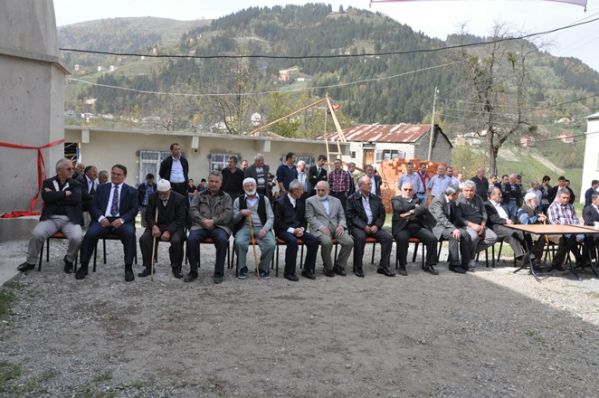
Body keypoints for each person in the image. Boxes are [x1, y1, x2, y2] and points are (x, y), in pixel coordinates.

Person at [17, 158, 84, 274]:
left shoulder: (76, 183)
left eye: (72, 168)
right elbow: (46, 198)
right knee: (36, 234)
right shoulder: (48, 182)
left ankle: (69, 260)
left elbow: (76, 199)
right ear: (59, 171)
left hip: (70, 220)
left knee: (77, 238)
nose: (72, 170)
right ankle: (31, 262)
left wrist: (54, 196)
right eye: (69, 169)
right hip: (51, 218)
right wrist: (64, 194)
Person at [75, 164, 139, 281]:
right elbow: (93, 205)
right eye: (113, 173)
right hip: (103, 219)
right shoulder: (101, 188)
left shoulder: (132, 191)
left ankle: (128, 268)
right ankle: (84, 266)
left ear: (124, 176)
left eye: (118, 174)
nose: (115, 176)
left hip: (121, 220)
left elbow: (134, 209)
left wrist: (121, 220)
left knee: (129, 234)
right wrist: (100, 218)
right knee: (90, 234)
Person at [185, 170, 233, 284]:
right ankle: (193, 271)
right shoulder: (199, 195)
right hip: (200, 226)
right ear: (208, 181)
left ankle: (218, 272)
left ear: (221, 183)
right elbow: (192, 210)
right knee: (191, 239)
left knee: (222, 240)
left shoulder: (226, 197)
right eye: (211, 181)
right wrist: (203, 220)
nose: (213, 184)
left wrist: (214, 221)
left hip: (220, 226)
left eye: (216, 182)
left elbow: (228, 214)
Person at [138, 179, 187, 279]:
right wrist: (153, 226)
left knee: (176, 240)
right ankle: (149, 266)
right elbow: (148, 215)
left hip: (175, 226)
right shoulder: (153, 197)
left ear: (170, 190)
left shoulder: (180, 199)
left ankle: (176, 267)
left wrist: (169, 231)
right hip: (157, 225)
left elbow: (181, 219)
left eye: (164, 193)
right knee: (144, 239)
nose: (162, 196)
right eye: (160, 193)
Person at [347, 175, 395, 277]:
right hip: (359, 227)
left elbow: (382, 214)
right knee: (360, 237)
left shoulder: (376, 198)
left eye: (371, 183)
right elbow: (351, 216)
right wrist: (364, 226)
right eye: (368, 184)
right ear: (360, 186)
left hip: (374, 226)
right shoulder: (352, 198)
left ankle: (383, 267)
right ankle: (358, 267)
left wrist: (377, 225)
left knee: (388, 238)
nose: (371, 185)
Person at [305, 181, 353, 277]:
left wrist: (341, 226)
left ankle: (339, 266)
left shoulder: (337, 201)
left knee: (349, 242)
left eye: (323, 190)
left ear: (328, 190)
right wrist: (321, 227)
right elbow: (310, 217)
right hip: (319, 228)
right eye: (318, 190)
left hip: (336, 227)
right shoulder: (310, 201)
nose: (320, 192)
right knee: (327, 242)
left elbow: (342, 216)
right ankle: (328, 267)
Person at [274, 180, 319, 281]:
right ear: (294, 191)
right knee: (293, 242)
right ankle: (289, 272)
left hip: (298, 229)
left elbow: (304, 220)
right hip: (283, 230)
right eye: (301, 190)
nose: (303, 192)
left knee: (314, 241)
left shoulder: (300, 202)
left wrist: (302, 229)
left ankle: (308, 269)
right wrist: (292, 230)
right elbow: (277, 223)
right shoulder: (280, 202)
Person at [232, 178, 276, 279]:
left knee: (271, 244)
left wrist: (265, 229)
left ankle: (263, 268)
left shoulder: (264, 199)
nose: (250, 187)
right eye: (247, 185)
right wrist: (240, 213)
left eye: (252, 185)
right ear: (243, 188)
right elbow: (233, 220)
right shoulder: (238, 201)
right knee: (239, 242)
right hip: (245, 227)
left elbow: (271, 217)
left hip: (261, 227)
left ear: (255, 186)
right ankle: (242, 268)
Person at [391, 182, 438, 276]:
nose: (408, 191)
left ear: (413, 191)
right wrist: (414, 208)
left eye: (410, 190)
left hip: (417, 227)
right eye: (406, 189)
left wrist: (407, 213)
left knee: (432, 239)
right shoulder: (396, 199)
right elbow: (398, 208)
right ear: (401, 190)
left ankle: (429, 265)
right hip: (402, 227)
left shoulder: (417, 200)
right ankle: (402, 266)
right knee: (402, 239)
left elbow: (423, 209)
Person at [429, 186, 472, 274]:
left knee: (465, 234)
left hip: (447, 226)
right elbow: (441, 218)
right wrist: (453, 229)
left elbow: (454, 216)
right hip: (437, 227)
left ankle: (465, 263)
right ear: (452, 195)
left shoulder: (451, 201)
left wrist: (456, 227)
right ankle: (454, 265)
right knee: (454, 235)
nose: (458, 197)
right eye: (457, 195)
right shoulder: (438, 200)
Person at [457, 180, 497, 269]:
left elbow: (484, 213)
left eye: (471, 190)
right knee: (474, 237)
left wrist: (482, 225)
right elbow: (458, 218)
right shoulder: (459, 200)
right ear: (463, 190)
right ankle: (470, 258)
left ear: (475, 191)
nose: (469, 192)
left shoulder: (478, 198)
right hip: (466, 225)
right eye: (466, 190)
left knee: (493, 237)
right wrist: (472, 225)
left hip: (480, 225)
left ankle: (468, 253)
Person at [547, 189, 590, 271]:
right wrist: (568, 228)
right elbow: (554, 222)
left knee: (587, 236)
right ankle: (579, 259)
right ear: (559, 197)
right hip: (559, 232)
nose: (566, 199)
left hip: (573, 231)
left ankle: (584, 260)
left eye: (567, 198)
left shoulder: (571, 206)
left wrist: (574, 228)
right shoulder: (553, 207)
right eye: (564, 198)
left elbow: (576, 220)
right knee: (568, 238)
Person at [485, 187, 529, 265]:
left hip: (508, 227)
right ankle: (525, 257)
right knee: (515, 233)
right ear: (492, 196)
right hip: (496, 227)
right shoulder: (487, 205)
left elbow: (511, 214)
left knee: (524, 233)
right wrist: (505, 221)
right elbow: (492, 218)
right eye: (499, 194)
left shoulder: (503, 204)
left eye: (500, 193)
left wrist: (511, 221)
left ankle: (528, 256)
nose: (501, 195)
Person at [517, 192, 549, 265]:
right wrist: (537, 218)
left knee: (546, 237)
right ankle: (534, 260)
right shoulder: (522, 209)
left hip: (536, 232)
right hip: (525, 233)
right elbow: (526, 222)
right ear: (529, 201)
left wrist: (544, 218)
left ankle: (532, 257)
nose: (536, 202)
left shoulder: (535, 209)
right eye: (534, 200)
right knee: (543, 237)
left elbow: (539, 219)